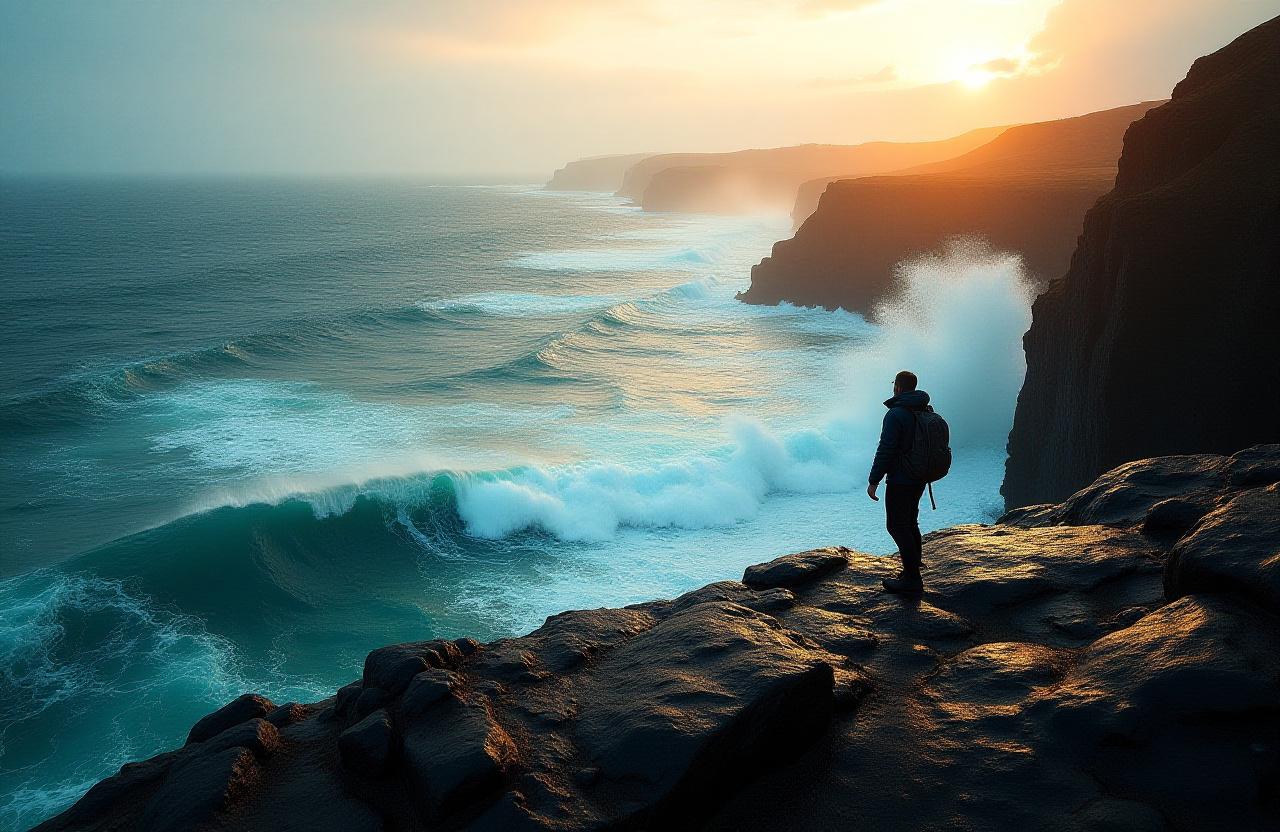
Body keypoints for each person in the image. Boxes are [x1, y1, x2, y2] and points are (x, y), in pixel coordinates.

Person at [866, 370, 929, 595]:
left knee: (896, 525)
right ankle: (912, 569)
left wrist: (874, 480)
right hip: (920, 477)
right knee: (911, 522)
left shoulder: (896, 414)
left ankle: (912, 579)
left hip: (901, 479)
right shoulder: (923, 409)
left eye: (895, 384)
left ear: (899, 388)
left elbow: (886, 449)